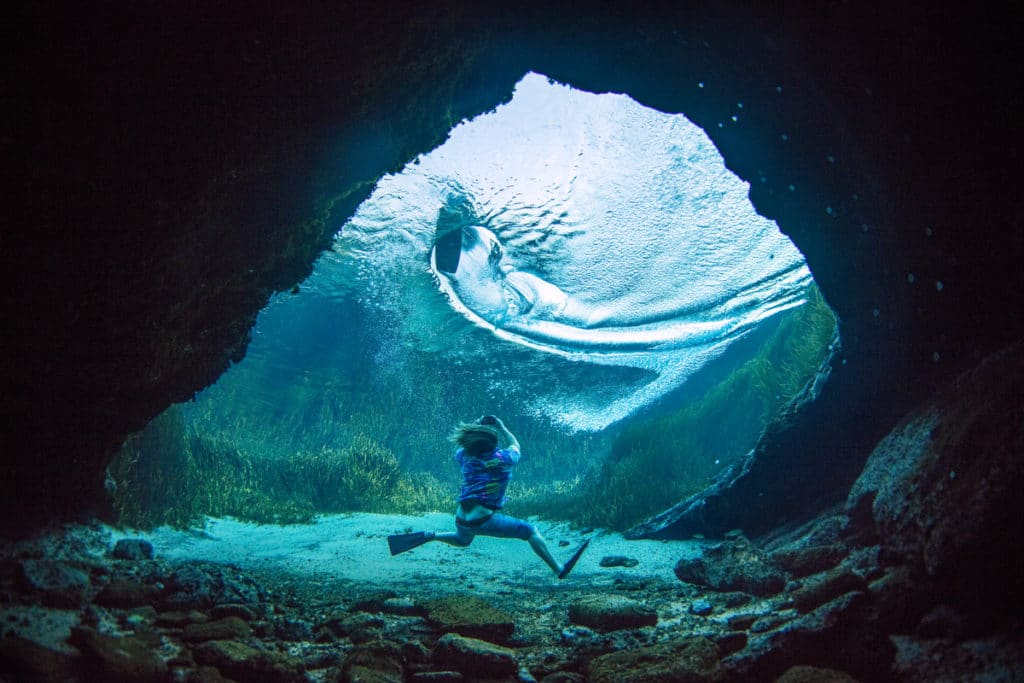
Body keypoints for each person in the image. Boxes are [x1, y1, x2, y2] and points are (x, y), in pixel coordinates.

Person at [387, 415, 588, 579]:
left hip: (461, 516)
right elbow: (516, 445)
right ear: (492, 447)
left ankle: (432, 536)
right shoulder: (501, 459)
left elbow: (464, 447)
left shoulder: (465, 457)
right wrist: (501, 425)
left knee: (463, 540)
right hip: (482, 517)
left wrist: (476, 425)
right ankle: (558, 569)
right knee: (530, 531)